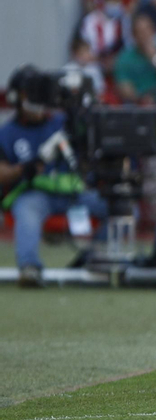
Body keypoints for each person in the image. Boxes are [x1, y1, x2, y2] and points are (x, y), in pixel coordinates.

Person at [1, 69, 105, 288]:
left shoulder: (65, 121)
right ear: (17, 98)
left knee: (118, 207)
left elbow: (91, 146)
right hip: (36, 194)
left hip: (74, 191)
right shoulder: (6, 133)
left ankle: (92, 259)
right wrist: (24, 169)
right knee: (27, 210)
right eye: (29, 94)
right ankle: (30, 267)